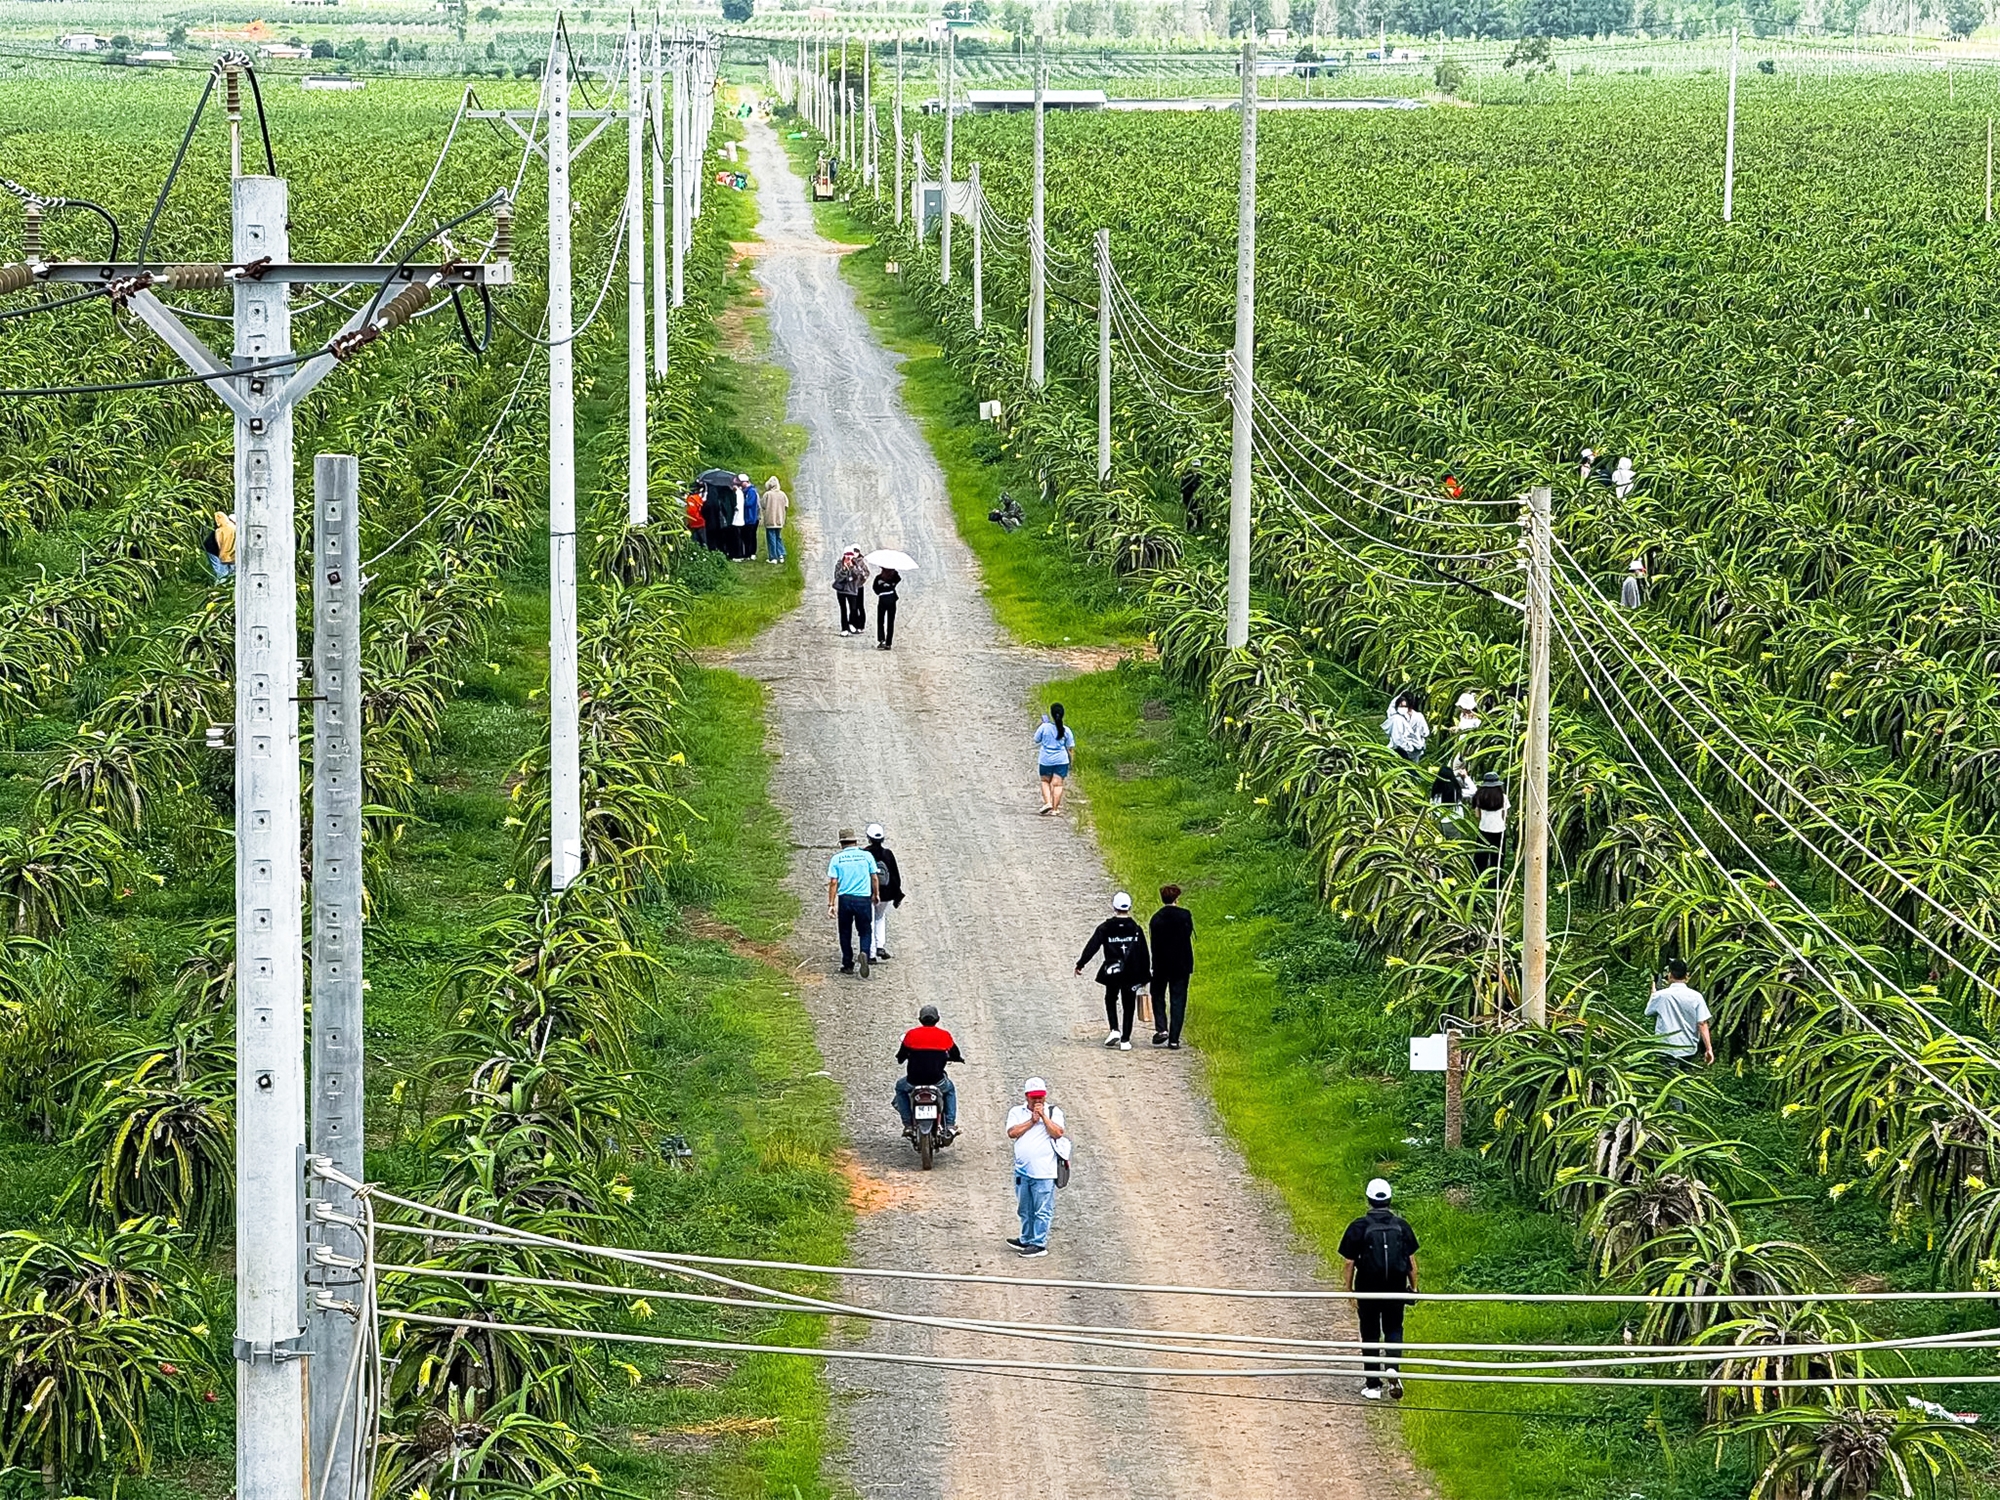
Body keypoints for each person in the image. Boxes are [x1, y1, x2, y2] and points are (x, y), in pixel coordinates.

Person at [1338, 1178, 1420, 1401]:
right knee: (1394, 1328)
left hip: (1368, 1289)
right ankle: (1393, 1369)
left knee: (1370, 1333)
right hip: (1395, 1288)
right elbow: (1411, 1261)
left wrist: (1349, 1290)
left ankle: (1373, 1385)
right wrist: (1414, 1288)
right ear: (1390, 1199)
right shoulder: (1401, 1226)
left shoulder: (1359, 1226)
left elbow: (1349, 1262)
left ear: (1369, 1199)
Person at [1076, 892, 1151, 1051]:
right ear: (1129, 907)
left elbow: (1092, 946)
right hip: (1132, 973)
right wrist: (1145, 975)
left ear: (1114, 907)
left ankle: (1114, 1029)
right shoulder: (1136, 929)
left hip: (1112, 970)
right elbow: (1144, 953)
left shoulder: (1105, 928)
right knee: (1129, 1004)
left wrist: (1081, 963)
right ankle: (1125, 1040)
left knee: (1110, 998)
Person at [1005, 1077, 1067, 1257]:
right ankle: (1026, 1238)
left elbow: (1058, 1133)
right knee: (1025, 1207)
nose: (1038, 1101)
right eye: (1034, 1097)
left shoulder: (1054, 1112)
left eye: (1040, 1097)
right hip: (1023, 1170)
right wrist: (1031, 1121)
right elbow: (1012, 1133)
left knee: (1042, 1209)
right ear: (1027, 1096)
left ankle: (1039, 1243)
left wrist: (1043, 1118)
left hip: (1044, 1171)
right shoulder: (1016, 1112)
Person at [894, 1003, 962, 1138]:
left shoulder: (911, 1035)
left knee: (900, 1089)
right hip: (937, 1081)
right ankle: (949, 1125)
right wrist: (957, 1059)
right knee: (950, 1090)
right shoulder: (944, 1036)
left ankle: (908, 1124)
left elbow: (901, 1056)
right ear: (938, 1019)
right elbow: (955, 1054)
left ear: (920, 1020)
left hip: (913, 1081)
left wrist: (903, 1058)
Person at [824, 827, 879, 977]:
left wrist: (831, 904)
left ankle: (847, 963)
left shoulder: (837, 859)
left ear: (841, 843)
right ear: (855, 841)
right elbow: (874, 877)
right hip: (863, 898)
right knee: (865, 930)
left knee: (845, 932)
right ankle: (864, 953)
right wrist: (876, 894)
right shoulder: (866, 856)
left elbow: (834, 882)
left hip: (845, 899)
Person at [1148, 885, 1195, 1049]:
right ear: (1177, 898)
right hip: (1181, 965)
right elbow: (1188, 933)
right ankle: (1174, 1039)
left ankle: (1162, 1029)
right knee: (1178, 1000)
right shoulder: (1184, 915)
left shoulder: (1156, 918)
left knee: (1157, 995)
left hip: (1161, 964)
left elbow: (1153, 942)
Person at [1646, 956, 1714, 1066]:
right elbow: (1702, 1023)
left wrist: (1653, 994)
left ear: (1670, 975)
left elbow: (1648, 1012)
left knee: (1667, 1077)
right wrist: (1709, 1049)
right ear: (1687, 976)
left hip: (1666, 1046)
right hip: (1688, 1047)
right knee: (1685, 1077)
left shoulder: (1660, 996)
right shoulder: (1696, 996)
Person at [864, 823, 903, 959]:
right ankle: (880, 945)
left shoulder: (865, 854)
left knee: (870, 920)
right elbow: (895, 876)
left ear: (868, 838)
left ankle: (871, 952)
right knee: (880, 918)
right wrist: (897, 894)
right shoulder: (888, 854)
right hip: (886, 894)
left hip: (869, 892)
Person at [1034, 704, 1075, 815]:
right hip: (1061, 760)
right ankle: (1055, 809)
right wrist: (1071, 762)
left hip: (1046, 759)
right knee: (1057, 784)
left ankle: (1048, 802)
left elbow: (1036, 739)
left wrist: (1042, 725)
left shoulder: (1045, 727)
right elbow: (1070, 748)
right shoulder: (1066, 730)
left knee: (1045, 781)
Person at [1472, 772, 1508, 877]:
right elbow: (1504, 815)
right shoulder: (1503, 797)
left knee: (1480, 858)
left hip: (1484, 829)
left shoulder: (1479, 796)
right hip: (1499, 830)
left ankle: (1477, 878)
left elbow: (1477, 815)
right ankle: (1495, 881)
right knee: (1497, 858)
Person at [1383, 693, 1430, 764]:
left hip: (1399, 750)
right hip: (1416, 750)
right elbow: (1426, 733)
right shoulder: (1419, 716)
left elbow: (1397, 739)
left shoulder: (1396, 718)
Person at [833, 547, 869, 634]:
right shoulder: (839, 564)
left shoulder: (856, 564)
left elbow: (860, 576)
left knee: (853, 608)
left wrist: (852, 568)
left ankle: (852, 623)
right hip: (841, 590)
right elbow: (837, 577)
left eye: (850, 555)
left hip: (852, 589)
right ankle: (844, 628)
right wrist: (844, 570)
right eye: (847, 554)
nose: (848, 557)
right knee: (843, 609)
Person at [203, 511, 236, 583]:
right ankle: (220, 589)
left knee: (229, 572)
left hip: (218, 550)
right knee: (222, 574)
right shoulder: (228, 529)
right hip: (213, 550)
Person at [762, 474, 788, 563]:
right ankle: (781, 554)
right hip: (780, 519)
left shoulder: (767, 494)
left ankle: (773, 557)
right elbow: (786, 505)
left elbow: (763, 505)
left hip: (770, 519)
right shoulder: (783, 494)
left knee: (771, 537)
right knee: (778, 537)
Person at [873, 567, 900, 651]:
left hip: (882, 599)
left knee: (880, 621)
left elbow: (875, 589)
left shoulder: (879, 578)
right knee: (890, 622)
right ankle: (888, 643)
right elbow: (898, 579)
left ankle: (882, 640)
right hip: (891, 599)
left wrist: (882, 588)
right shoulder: (893, 576)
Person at [738, 474, 761, 560]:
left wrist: (741, 501)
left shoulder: (751, 491)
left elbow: (749, 503)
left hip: (751, 517)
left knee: (751, 536)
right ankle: (747, 553)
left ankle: (752, 552)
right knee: (746, 536)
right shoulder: (745, 491)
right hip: (746, 518)